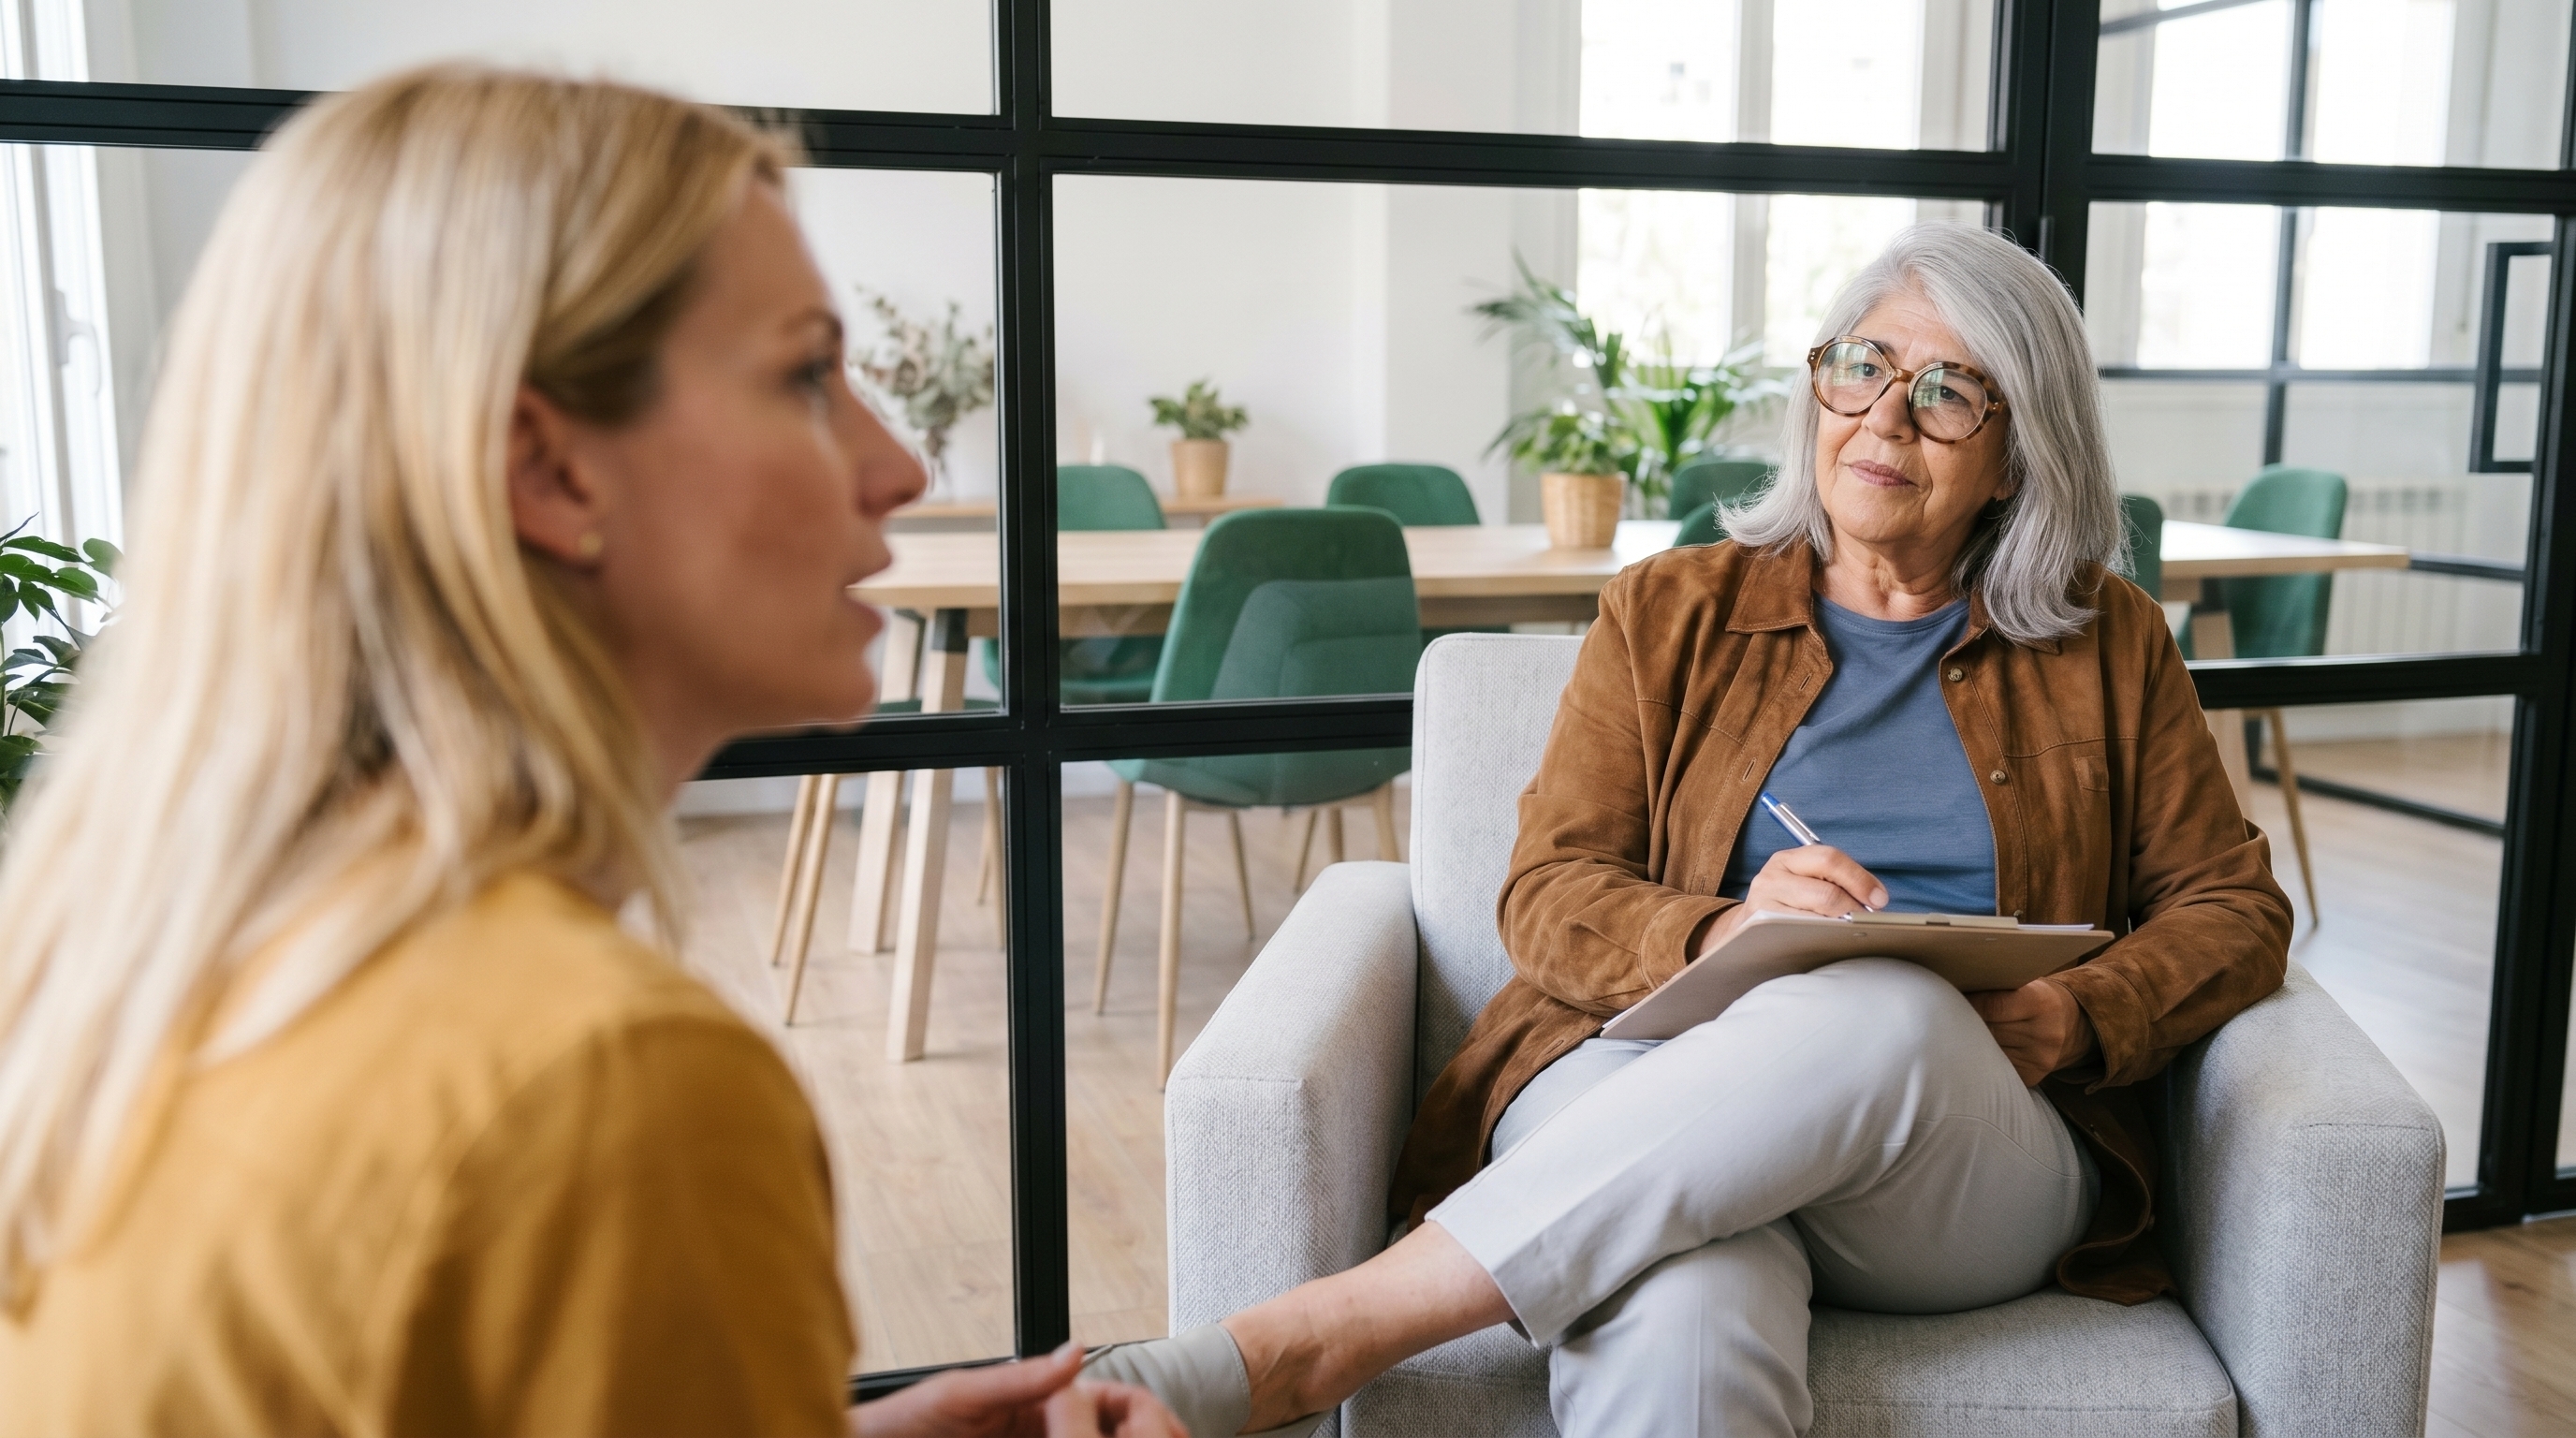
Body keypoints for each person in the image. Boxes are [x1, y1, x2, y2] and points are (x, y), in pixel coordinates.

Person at [0, 66, 1179, 1438]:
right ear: (550, 472)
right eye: (805, 374)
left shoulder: (162, 956)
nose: (900, 467)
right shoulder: (603, 1084)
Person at [1084, 224, 2293, 1436]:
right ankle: (1335, 1336)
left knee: (1886, 1006)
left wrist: (2078, 1011)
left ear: (2021, 452)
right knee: (1683, 1289)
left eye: (1947, 394)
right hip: (1636, 1070)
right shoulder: (1670, 609)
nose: (1882, 421)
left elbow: (2237, 911)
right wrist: (1725, 932)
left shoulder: (2109, 642)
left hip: (1958, 1158)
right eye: (1861, 368)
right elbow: (1547, 892)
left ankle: (1318, 1338)